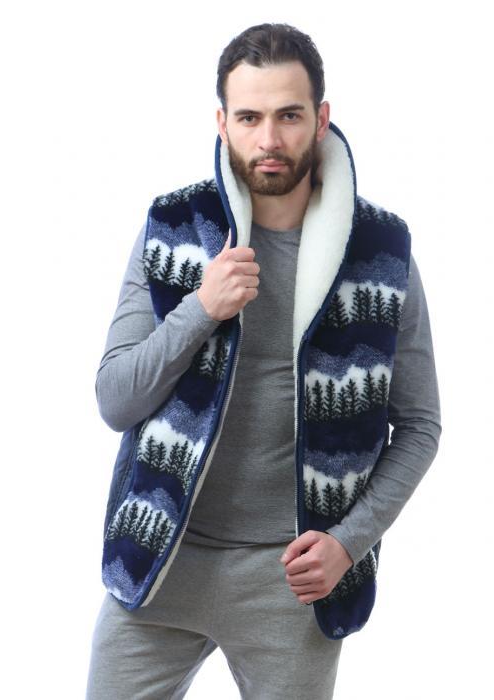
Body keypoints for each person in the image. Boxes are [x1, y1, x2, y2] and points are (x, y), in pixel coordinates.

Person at [85, 22, 442, 700]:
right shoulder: (175, 228)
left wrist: (348, 543)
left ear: (321, 119)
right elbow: (115, 399)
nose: (269, 139)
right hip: (160, 561)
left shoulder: (380, 250)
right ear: (222, 122)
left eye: (288, 116)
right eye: (249, 117)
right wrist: (201, 307)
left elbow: (420, 426)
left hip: (292, 580)